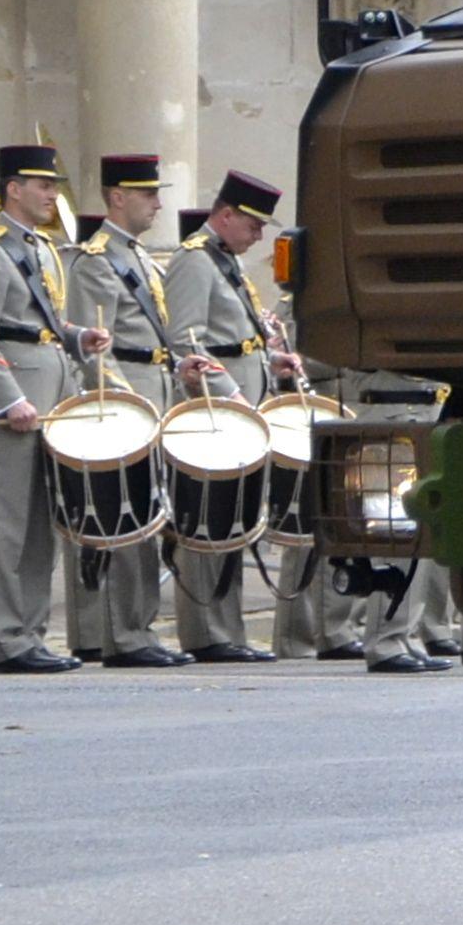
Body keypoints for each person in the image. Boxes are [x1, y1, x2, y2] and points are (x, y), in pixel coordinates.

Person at [0, 145, 106, 675]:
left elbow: (40, 324)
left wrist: (77, 337)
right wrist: (8, 399)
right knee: (5, 530)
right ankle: (5, 640)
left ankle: (31, 632)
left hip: (50, 399)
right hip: (13, 406)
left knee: (42, 529)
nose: (52, 195)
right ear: (13, 189)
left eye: (53, 186)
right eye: (43, 186)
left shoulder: (42, 249)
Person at [163, 173, 295, 662]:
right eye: (253, 225)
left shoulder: (223, 260)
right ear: (225, 216)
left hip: (240, 406)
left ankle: (227, 629)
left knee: (233, 519)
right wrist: (229, 393)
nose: (258, 236)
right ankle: (207, 633)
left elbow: (235, 337)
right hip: (216, 411)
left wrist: (272, 362)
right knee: (208, 520)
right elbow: (187, 340)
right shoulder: (195, 261)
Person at [66, 152, 182, 667]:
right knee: (127, 518)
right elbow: (95, 348)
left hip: (154, 391)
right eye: (147, 193)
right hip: (128, 399)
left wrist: (181, 367)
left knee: (149, 517)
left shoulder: (137, 256)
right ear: (117, 197)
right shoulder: (97, 260)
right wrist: (123, 401)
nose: (157, 203)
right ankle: (125, 634)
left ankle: (139, 627)